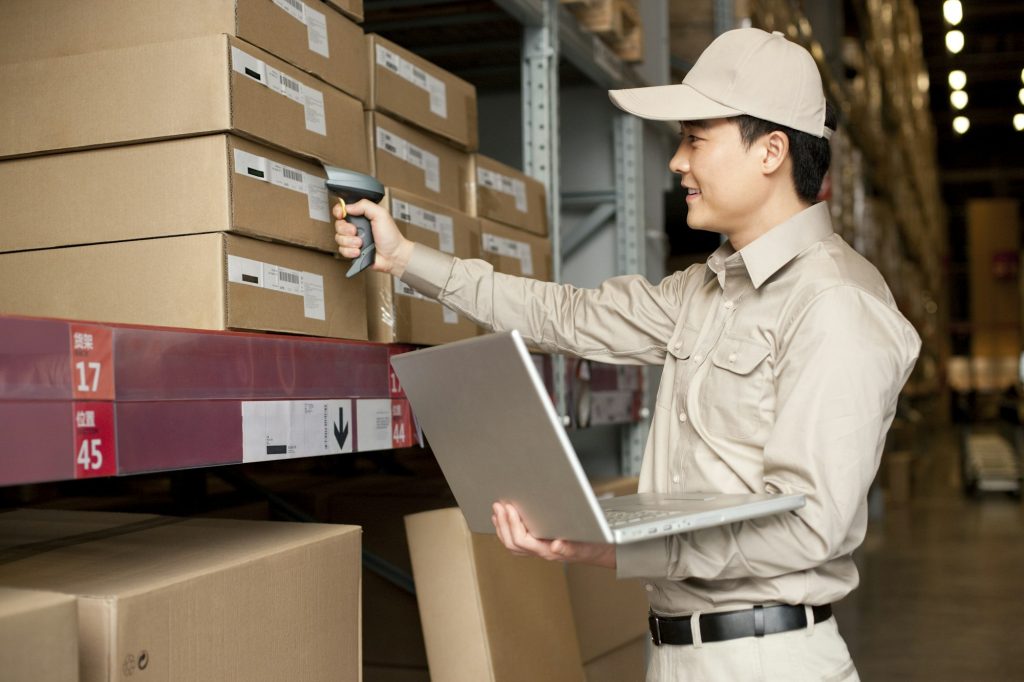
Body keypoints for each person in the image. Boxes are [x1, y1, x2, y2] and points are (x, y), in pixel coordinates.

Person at [335, 27, 920, 682]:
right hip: (679, 653)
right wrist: (405, 259)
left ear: (771, 151)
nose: (676, 162)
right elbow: (568, 316)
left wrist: (613, 543)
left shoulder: (836, 305)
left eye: (695, 139)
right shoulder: (704, 290)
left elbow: (811, 527)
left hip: (765, 660)